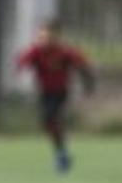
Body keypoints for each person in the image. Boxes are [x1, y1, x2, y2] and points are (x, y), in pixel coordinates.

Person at [16, 19, 95, 173]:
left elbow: (83, 66)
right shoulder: (37, 51)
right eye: (41, 37)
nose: (43, 40)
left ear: (56, 36)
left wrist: (88, 84)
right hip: (44, 92)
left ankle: (61, 151)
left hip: (60, 92)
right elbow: (22, 61)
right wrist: (21, 68)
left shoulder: (65, 52)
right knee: (47, 122)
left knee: (50, 116)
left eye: (47, 37)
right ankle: (62, 151)